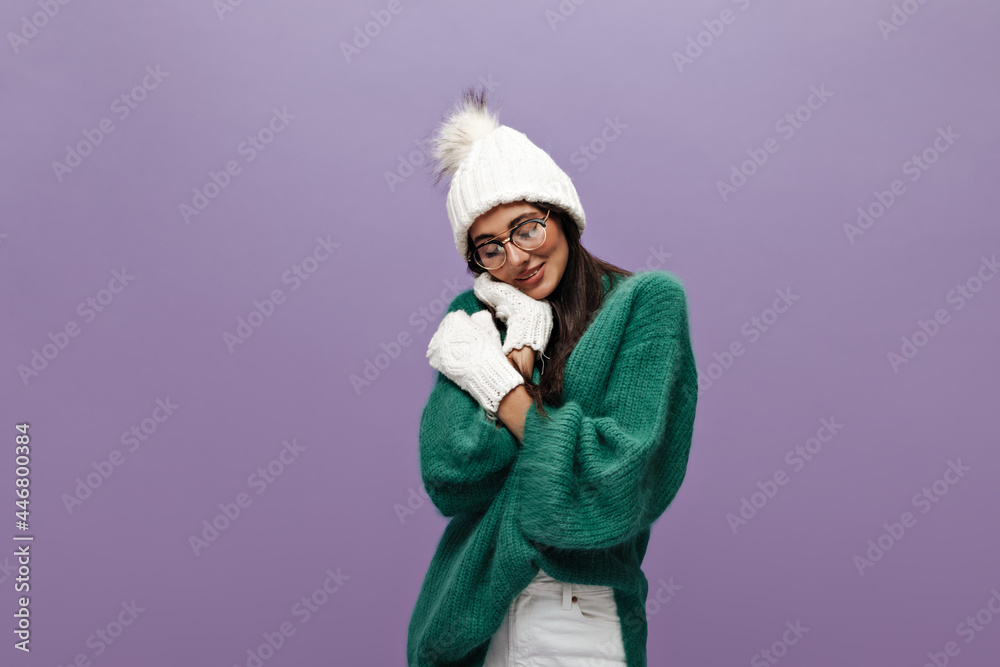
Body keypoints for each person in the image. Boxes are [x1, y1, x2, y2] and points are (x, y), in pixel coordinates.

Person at [406, 86, 699, 667]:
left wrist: (501, 389)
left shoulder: (646, 306)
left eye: (527, 228)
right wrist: (520, 338)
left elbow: (610, 488)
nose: (515, 257)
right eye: (489, 247)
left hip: (578, 617)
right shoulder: (473, 323)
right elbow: (450, 475)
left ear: (560, 214)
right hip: (470, 622)